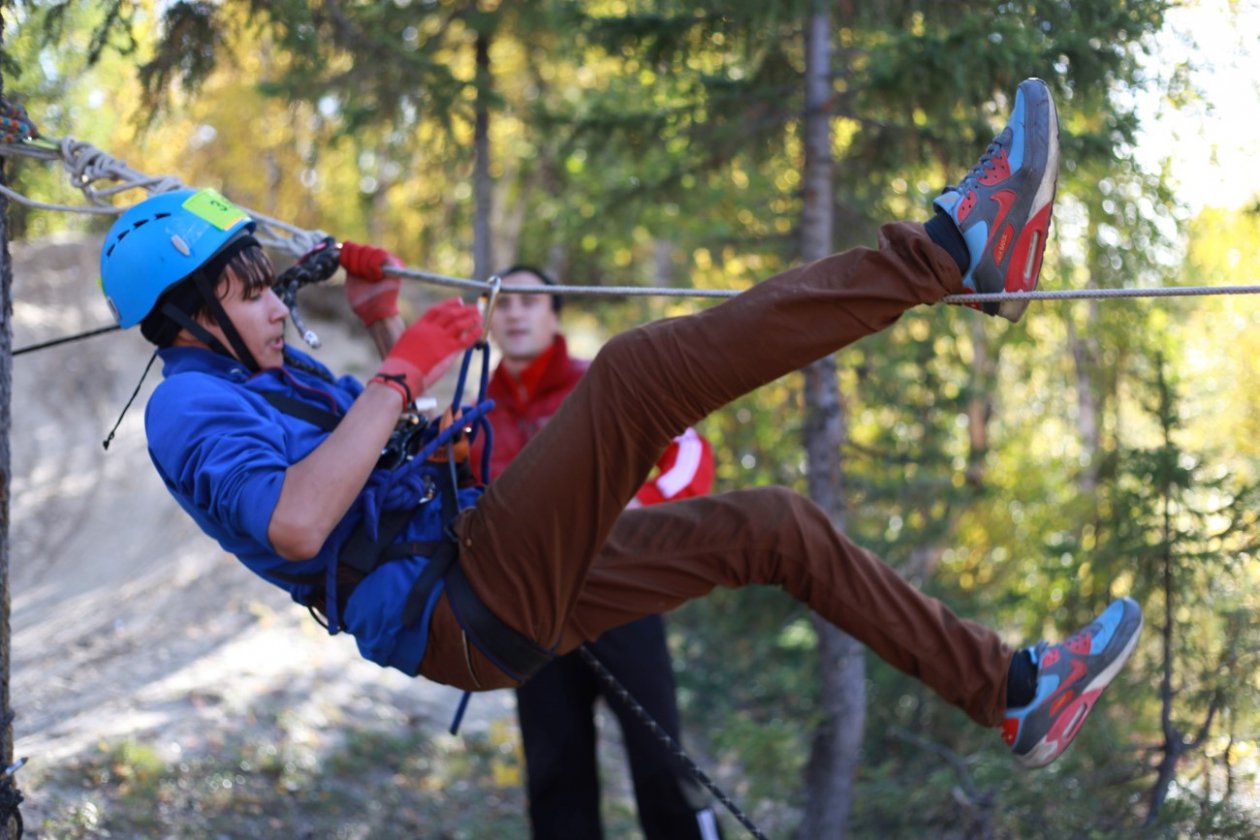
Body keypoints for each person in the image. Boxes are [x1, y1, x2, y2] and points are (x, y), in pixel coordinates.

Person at [100, 78, 1142, 779]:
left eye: (271, 289)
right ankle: (951, 256)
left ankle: (1013, 691)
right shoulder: (189, 407)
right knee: (638, 374)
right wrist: (408, 369)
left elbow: (366, 435)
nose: (279, 307)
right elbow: (295, 523)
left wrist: (383, 317)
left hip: (469, 568)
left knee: (769, 527)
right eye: (250, 295)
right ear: (193, 317)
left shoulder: (263, 371)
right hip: (455, 597)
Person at [481, 265, 722, 840]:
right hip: (535, 621)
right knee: (554, 774)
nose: (514, 313)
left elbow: (688, 448)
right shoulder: (478, 413)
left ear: (554, 314)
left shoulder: (600, 383)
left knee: (663, 765)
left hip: (620, 604)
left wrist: (642, 507)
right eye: (503, 302)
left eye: (528, 301)